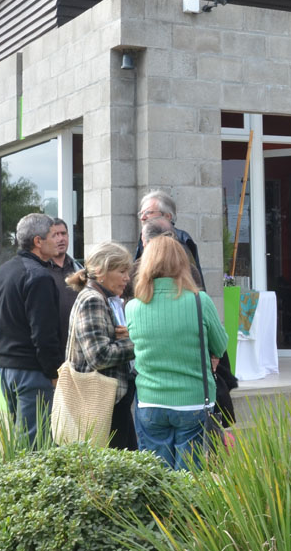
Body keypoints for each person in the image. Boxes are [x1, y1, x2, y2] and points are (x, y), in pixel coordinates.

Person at [127, 235, 228, 470]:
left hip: (150, 400)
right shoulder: (199, 301)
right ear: (182, 263)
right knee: (191, 478)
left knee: (157, 477)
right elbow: (220, 345)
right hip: (193, 400)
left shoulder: (133, 307)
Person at [0, 213, 62, 447]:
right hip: (32, 372)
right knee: (36, 446)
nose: (59, 240)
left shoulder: (4, 271)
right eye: (53, 235)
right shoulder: (39, 276)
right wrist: (53, 372)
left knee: (21, 441)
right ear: (38, 241)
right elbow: (44, 333)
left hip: (6, 369)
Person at [64, 242, 137, 450]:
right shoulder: (93, 300)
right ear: (100, 271)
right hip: (103, 403)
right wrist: (138, 343)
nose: (127, 278)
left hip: (109, 401)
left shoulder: (103, 298)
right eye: (121, 271)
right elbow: (99, 356)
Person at [134, 190, 204, 288]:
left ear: (167, 216)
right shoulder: (143, 239)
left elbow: (191, 280)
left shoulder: (180, 240)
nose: (143, 217)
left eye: (148, 212)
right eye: (141, 213)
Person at [47, 217, 82, 360]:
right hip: (52, 347)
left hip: (78, 346)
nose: (60, 239)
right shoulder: (41, 270)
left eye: (63, 233)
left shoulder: (79, 269)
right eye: (55, 235)